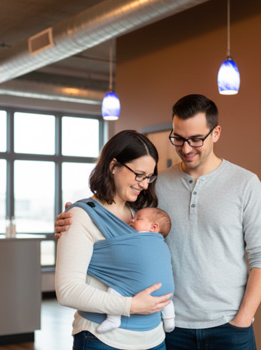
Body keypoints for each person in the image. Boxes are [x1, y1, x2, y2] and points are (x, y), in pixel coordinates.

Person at [58, 94, 261, 350]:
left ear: (215, 133)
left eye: (196, 139)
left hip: (228, 326)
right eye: (179, 138)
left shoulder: (245, 184)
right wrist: (69, 222)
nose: (185, 148)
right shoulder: (154, 185)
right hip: (169, 326)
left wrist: (243, 318)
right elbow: (113, 219)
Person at [55, 130, 174, 350]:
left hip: (154, 339)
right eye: (139, 175)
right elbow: (67, 290)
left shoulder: (143, 215)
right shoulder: (81, 216)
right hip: (104, 340)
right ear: (113, 166)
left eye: (149, 177)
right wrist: (130, 305)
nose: (145, 184)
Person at [97, 207, 176, 334]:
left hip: (138, 286)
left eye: (138, 218)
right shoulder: (163, 244)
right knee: (167, 301)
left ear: (153, 227)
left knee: (114, 290)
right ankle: (170, 320)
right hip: (167, 290)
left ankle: (113, 319)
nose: (132, 220)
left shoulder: (134, 238)